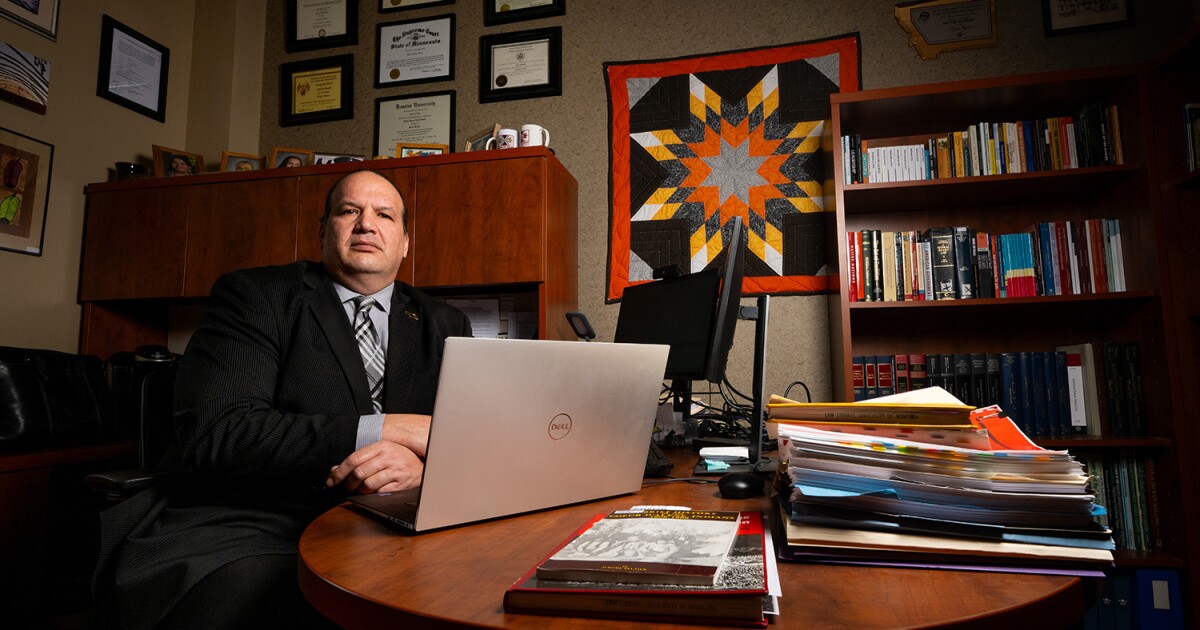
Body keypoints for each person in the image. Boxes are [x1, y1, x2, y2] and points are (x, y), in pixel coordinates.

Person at [93, 170, 473, 628]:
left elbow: (473, 440)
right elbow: (219, 432)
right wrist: (387, 428)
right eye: (349, 211)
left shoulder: (445, 323)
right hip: (259, 519)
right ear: (323, 231)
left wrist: (426, 470)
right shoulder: (255, 296)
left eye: (385, 215)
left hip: (395, 519)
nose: (366, 224)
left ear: (405, 242)